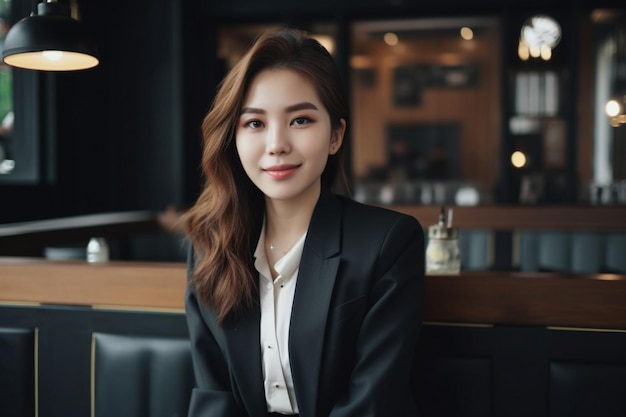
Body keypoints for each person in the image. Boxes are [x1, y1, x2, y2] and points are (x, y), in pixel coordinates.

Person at [183, 27, 425, 417]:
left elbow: (372, 403)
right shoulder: (210, 245)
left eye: (300, 120)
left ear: (335, 135)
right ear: (234, 137)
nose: (276, 144)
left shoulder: (388, 243)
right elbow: (214, 396)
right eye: (255, 124)